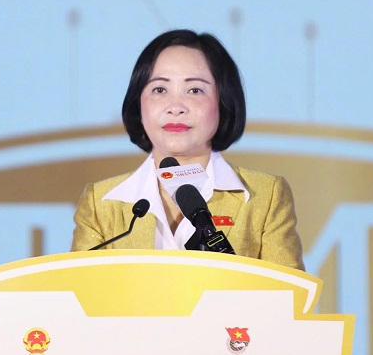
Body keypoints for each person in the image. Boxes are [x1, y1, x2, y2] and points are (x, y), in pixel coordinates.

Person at [70, 29, 305, 270]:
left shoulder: (265, 197)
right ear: (138, 104)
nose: (175, 107)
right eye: (160, 89)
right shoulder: (101, 204)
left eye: (195, 90)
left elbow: (287, 292)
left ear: (223, 102)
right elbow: (80, 289)